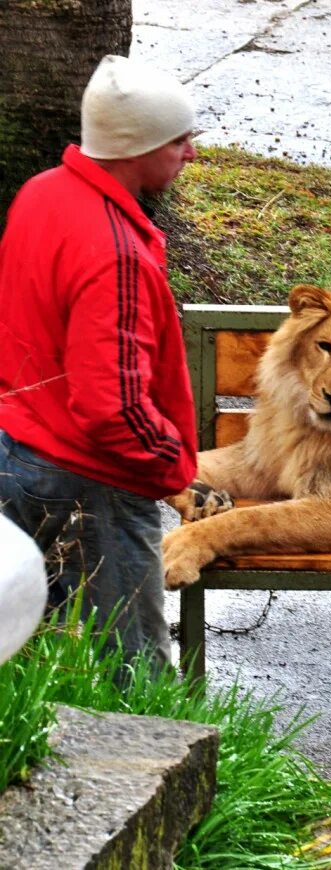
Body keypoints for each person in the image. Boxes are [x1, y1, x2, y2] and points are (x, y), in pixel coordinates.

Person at [0, 55, 200, 673]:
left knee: (31, 652)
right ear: (137, 146)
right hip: (91, 484)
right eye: (179, 139)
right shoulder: (112, 250)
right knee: (132, 668)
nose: (190, 152)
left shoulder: (42, 194)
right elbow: (110, 405)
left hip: (21, 453)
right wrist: (172, 468)